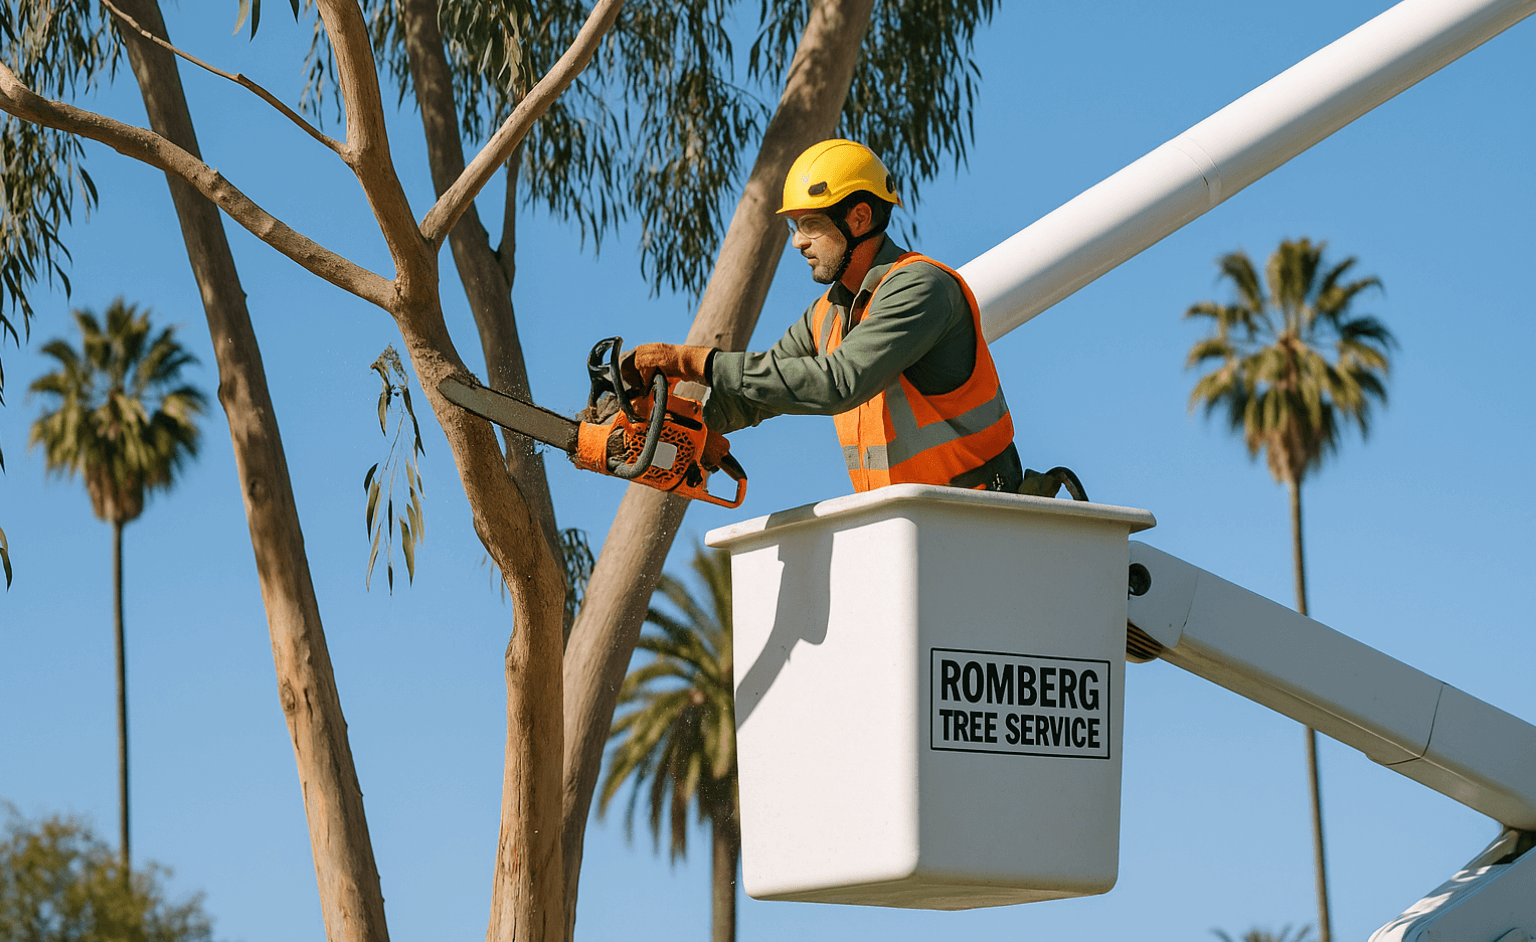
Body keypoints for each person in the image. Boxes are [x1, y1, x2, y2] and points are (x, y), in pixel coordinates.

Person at [624, 139, 1075, 497]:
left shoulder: (920, 288)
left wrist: (690, 360)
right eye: (794, 227)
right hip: (914, 524)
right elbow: (757, 395)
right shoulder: (826, 315)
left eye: (810, 224)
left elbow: (837, 382)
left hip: (983, 519)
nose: (798, 242)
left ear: (859, 217)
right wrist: (676, 423)